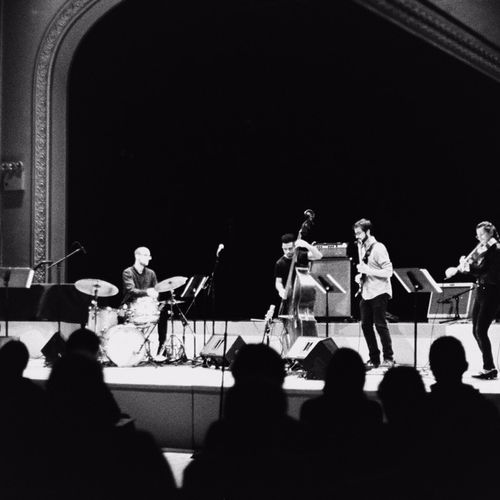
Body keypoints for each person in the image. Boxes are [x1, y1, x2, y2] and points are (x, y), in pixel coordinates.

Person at [447, 221, 500, 379]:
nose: (480, 238)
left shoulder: (496, 249)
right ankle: (489, 367)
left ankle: (489, 368)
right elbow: (478, 272)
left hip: (492, 292)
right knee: (475, 330)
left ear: (491, 233)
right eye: (478, 235)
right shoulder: (485, 249)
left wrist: (468, 267)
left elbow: (486, 270)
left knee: (481, 330)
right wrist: (465, 267)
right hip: (481, 291)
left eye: (482, 234)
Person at [353, 218, 395, 369]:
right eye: (355, 233)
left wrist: (367, 271)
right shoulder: (361, 247)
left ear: (367, 231)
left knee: (380, 325)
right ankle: (374, 359)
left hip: (380, 291)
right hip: (367, 292)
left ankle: (389, 358)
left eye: (359, 233)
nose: (356, 236)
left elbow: (389, 271)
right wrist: (360, 277)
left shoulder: (379, 248)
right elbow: (365, 270)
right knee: (365, 326)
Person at [121, 246, 168, 355]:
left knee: (164, 312)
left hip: (148, 307)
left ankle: (161, 350)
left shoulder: (151, 273)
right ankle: (125, 350)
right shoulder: (128, 272)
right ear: (137, 256)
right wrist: (147, 292)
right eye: (146, 255)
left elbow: (156, 290)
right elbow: (130, 290)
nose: (149, 258)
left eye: (149, 256)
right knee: (121, 314)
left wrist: (155, 296)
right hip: (130, 307)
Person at [274, 233, 323, 300]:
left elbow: (319, 256)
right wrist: (281, 290)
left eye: (290, 248)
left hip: (306, 294)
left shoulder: (300, 255)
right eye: (284, 249)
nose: (287, 251)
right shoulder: (280, 263)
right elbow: (278, 282)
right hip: (290, 296)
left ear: (295, 246)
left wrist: (307, 245)